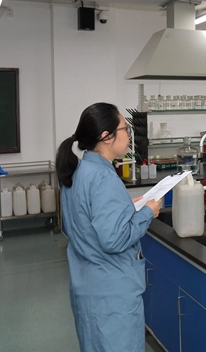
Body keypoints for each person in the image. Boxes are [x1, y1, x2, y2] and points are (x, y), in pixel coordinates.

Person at [56, 103, 161, 351]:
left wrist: (125, 208)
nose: (129, 136)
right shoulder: (104, 178)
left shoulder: (80, 170)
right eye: (125, 129)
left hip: (88, 285)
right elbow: (114, 240)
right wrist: (148, 212)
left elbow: (81, 221)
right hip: (112, 294)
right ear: (106, 137)